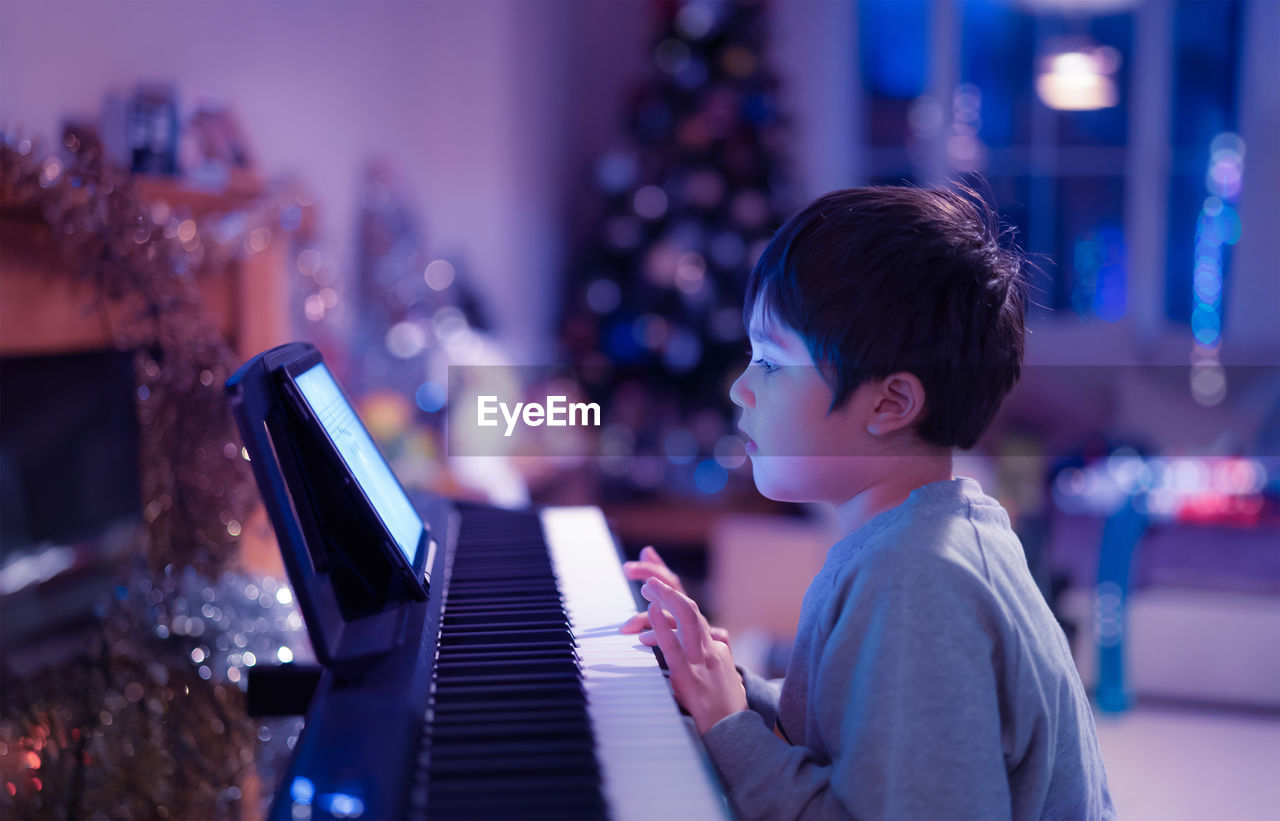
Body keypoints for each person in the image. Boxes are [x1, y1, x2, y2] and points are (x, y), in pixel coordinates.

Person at [620, 185, 1115, 820]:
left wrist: (727, 725)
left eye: (771, 361)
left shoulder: (916, 581)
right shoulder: (927, 538)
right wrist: (731, 684)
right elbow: (856, 733)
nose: (742, 388)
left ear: (890, 404)